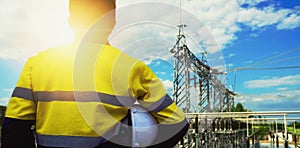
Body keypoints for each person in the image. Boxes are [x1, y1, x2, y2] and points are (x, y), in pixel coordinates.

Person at [1, 0, 189, 147]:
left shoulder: (37, 64)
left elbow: (14, 131)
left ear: (70, 21)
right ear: (113, 22)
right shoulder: (132, 68)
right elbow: (177, 124)